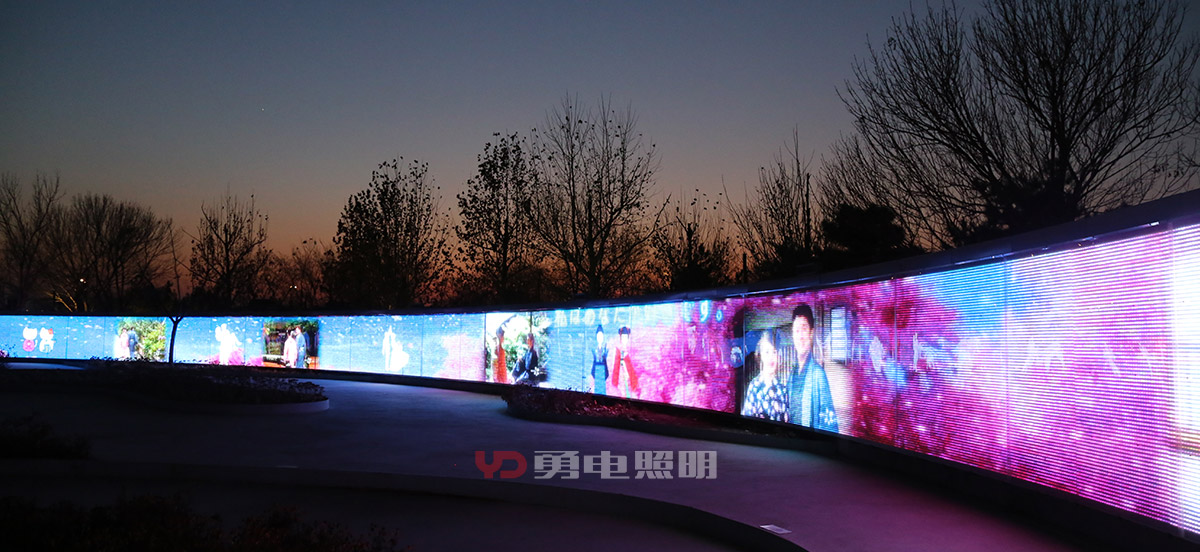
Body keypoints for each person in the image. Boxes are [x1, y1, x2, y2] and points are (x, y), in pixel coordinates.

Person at [787, 304, 838, 432]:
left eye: (804, 329)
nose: (800, 336)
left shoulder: (818, 374)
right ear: (792, 335)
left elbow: (829, 425)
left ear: (811, 332)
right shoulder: (791, 375)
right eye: (796, 330)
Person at [741, 328, 788, 422]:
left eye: (774, 352)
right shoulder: (754, 386)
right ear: (761, 355)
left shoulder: (783, 389)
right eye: (767, 352)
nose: (771, 357)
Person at [611, 326, 639, 399]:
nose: (624, 339)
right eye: (623, 337)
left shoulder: (631, 350)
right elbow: (616, 366)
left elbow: (633, 367)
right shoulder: (618, 350)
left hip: (629, 377)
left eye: (626, 337)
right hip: (621, 377)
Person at [589, 325, 609, 395]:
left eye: (601, 336)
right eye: (598, 336)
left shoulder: (606, 350)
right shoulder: (594, 350)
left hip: (603, 376)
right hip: (596, 375)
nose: (600, 338)